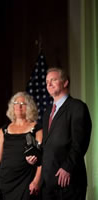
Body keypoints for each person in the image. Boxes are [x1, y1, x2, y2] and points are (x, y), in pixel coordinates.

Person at [40, 67, 92, 200]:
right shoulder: (47, 113)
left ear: (65, 82)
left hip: (68, 181)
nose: (49, 84)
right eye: (47, 82)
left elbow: (80, 141)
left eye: (53, 80)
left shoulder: (77, 107)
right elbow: (47, 145)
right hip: (48, 183)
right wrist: (35, 157)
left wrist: (68, 167)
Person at [0, 91, 42, 200]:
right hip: (5, 181)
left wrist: (36, 181)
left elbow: (42, 158)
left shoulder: (37, 129)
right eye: (16, 103)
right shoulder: (4, 129)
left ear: (29, 107)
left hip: (26, 180)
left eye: (22, 104)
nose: (18, 106)